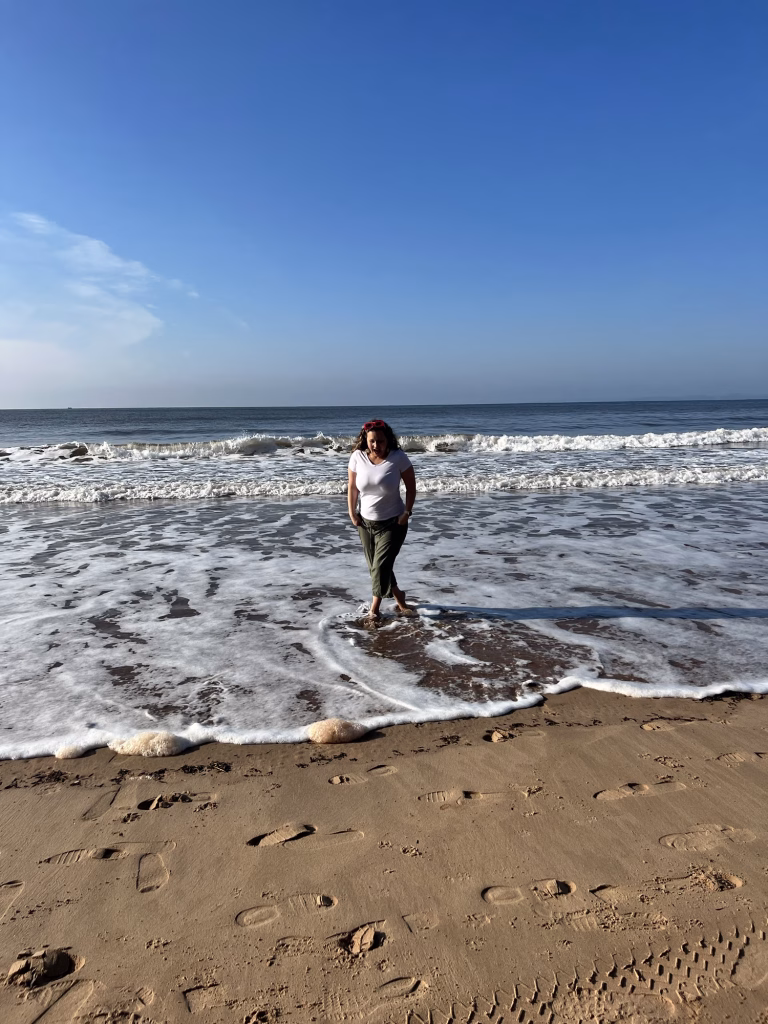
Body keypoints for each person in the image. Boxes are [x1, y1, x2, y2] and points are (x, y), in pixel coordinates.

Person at [348, 418, 416, 623]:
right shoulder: (357, 457)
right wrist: (352, 512)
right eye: (372, 441)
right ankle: (399, 596)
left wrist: (407, 513)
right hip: (365, 524)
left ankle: (374, 610)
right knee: (377, 567)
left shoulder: (398, 458)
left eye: (380, 441)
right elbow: (352, 487)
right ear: (365, 440)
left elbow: (412, 487)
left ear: (388, 440)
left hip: (393, 523)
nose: (376, 445)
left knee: (379, 567)